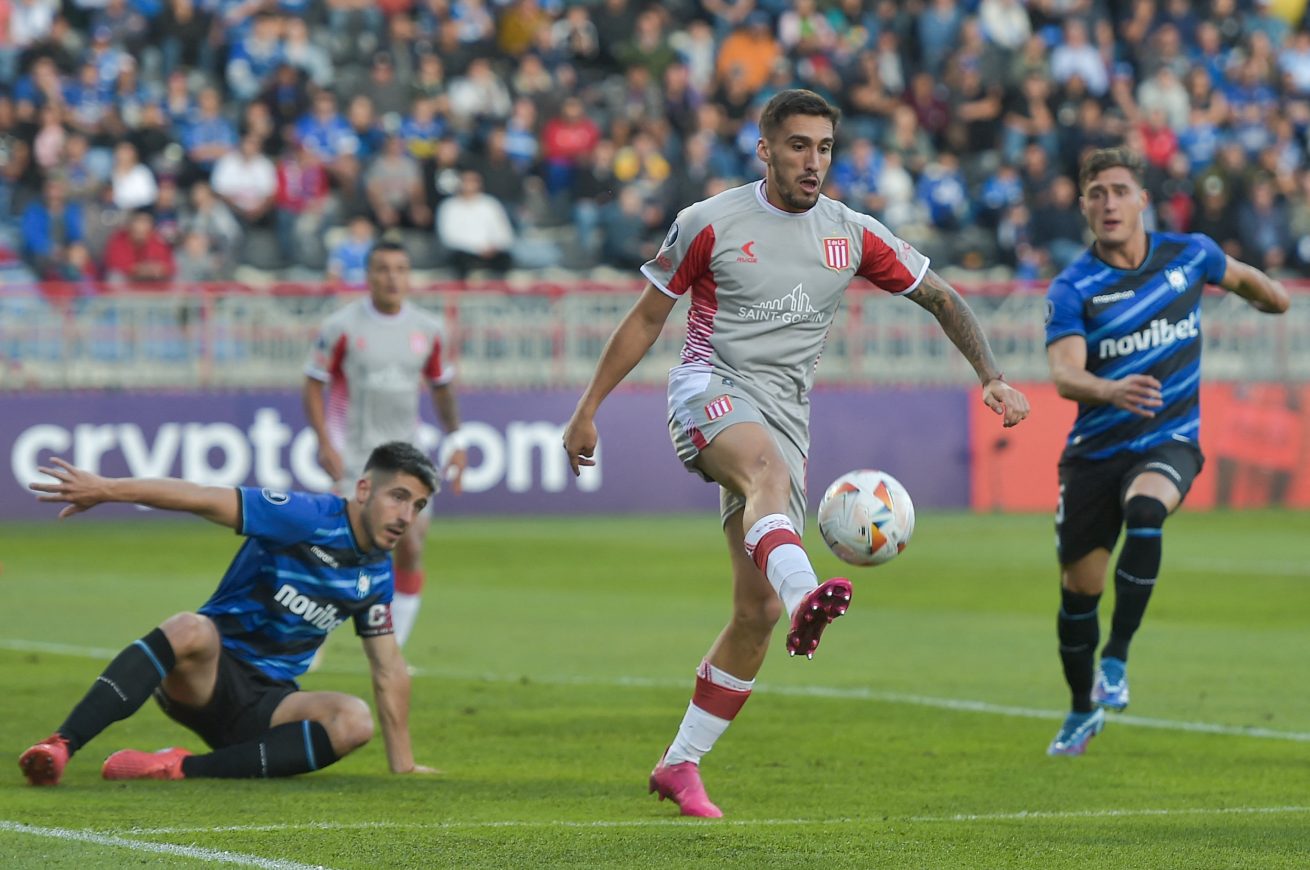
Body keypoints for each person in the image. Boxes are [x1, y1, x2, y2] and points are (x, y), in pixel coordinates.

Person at [562, 89, 1030, 818]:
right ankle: (811, 586)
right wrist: (588, 408)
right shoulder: (709, 223)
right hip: (707, 388)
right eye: (798, 146)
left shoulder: (851, 233)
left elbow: (941, 296)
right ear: (766, 150)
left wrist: (992, 376)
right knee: (765, 476)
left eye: (824, 148)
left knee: (756, 613)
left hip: (786, 413)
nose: (813, 162)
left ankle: (680, 765)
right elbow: (649, 317)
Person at [1043, 147, 1290, 757]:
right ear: (1083, 205)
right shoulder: (1075, 286)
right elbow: (1064, 374)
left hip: (1170, 439)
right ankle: (1080, 710)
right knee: (1080, 594)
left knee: (1148, 509)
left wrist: (1274, 299)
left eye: (1119, 190)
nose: (1108, 203)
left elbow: (1250, 282)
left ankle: (1118, 661)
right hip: (1095, 454)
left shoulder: (1189, 254)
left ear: (1142, 199)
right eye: (1096, 192)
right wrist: (1110, 388)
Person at [18, 442, 439, 785]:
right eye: (398, 497)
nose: (406, 516)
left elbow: (388, 667)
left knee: (354, 720)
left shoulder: (376, 574)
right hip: (207, 676)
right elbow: (201, 497)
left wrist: (402, 763)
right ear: (364, 490)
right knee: (191, 628)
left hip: (269, 701)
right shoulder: (304, 517)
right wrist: (107, 490)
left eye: (417, 506)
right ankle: (60, 745)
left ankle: (179, 767)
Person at [304, 240, 467, 649]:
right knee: (342, 550)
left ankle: (395, 646)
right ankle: (311, 637)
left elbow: (442, 389)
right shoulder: (342, 327)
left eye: (399, 269)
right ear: (369, 276)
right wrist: (325, 442)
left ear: (409, 275)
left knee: (411, 546)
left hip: (408, 457)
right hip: (357, 455)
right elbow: (313, 383)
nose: (392, 277)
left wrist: (456, 439)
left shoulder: (429, 331)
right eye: (382, 269)